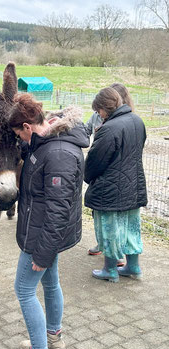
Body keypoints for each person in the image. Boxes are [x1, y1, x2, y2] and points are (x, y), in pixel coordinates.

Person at [4, 94, 89, 349]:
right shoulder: (48, 142)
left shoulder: (59, 153)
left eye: (18, 134)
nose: (20, 139)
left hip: (42, 236)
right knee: (51, 284)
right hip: (44, 233)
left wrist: (42, 252)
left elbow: (58, 209)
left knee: (24, 290)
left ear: (28, 126)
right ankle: (53, 338)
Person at [84, 87, 147, 283]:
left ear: (105, 108)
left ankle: (110, 270)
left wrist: (88, 177)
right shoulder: (137, 121)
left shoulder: (109, 129)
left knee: (109, 229)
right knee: (131, 228)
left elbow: (95, 161)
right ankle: (133, 267)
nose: (98, 114)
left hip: (109, 190)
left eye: (98, 110)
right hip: (134, 186)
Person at [86, 83, 135, 263]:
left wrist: (88, 173)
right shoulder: (97, 117)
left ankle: (113, 259)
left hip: (111, 175)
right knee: (101, 216)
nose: (99, 114)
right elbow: (86, 130)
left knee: (113, 219)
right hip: (106, 173)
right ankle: (105, 246)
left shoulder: (120, 123)